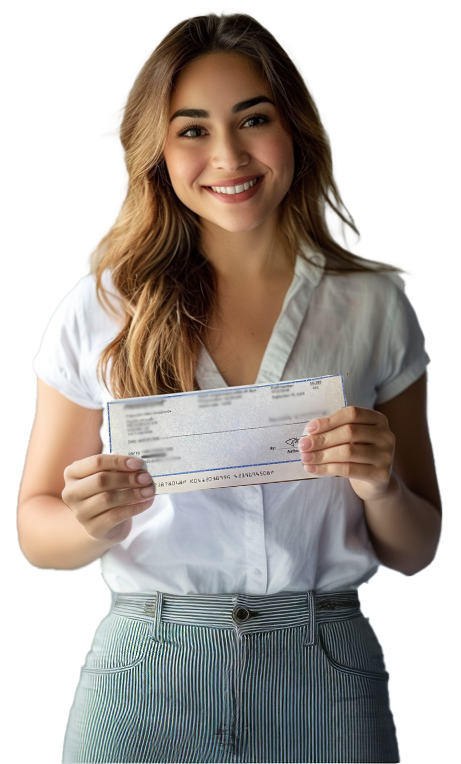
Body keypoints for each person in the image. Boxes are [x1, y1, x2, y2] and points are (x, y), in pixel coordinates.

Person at [16, 11, 441, 764]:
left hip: (326, 673)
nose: (227, 154)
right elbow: (36, 533)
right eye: (191, 129)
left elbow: (416, 548)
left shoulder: (373, 310)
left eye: (253, 119)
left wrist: (380, 488)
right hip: (144, 676)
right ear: (157, 149)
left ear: (294, 131)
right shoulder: (101, 309)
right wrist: (92, 522)